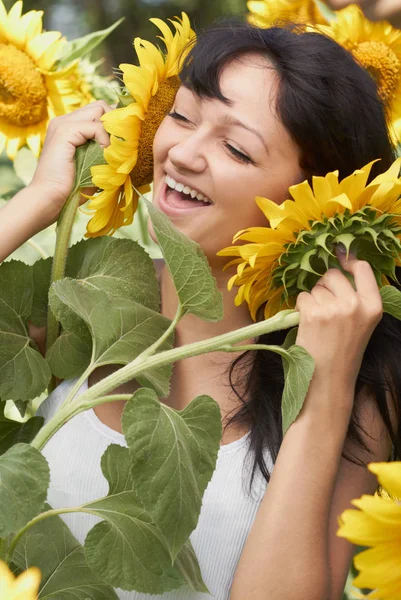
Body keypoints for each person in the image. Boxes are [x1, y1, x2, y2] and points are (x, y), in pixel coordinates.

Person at [1, 20, 401, 600]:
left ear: (316, 204)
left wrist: (325, 388)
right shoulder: (96, 293)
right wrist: (38, 202)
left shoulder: (359, 378)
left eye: (236, 147)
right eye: (182, 116)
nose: (182, 152)